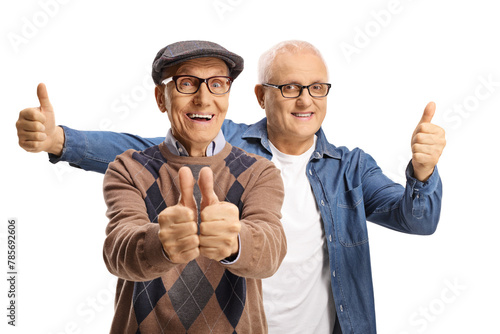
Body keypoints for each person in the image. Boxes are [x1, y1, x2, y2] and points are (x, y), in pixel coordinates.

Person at [16, 40, 446, 334]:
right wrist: (60, 140)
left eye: (317, 88)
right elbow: (143, 153)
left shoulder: (350, 168)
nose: (306, 100)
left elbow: (416, 220)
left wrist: (423, 173)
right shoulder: (227, 144)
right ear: (261, 96)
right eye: (290, 87)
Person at [34, 40, 287, 333]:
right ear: (160, 98)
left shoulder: (259, 172)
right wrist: (161, 243)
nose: (204, 98)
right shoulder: (129, 168)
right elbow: (117, 249)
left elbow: (271, 250)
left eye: (217, 84)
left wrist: (236, 241)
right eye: (187, 83)